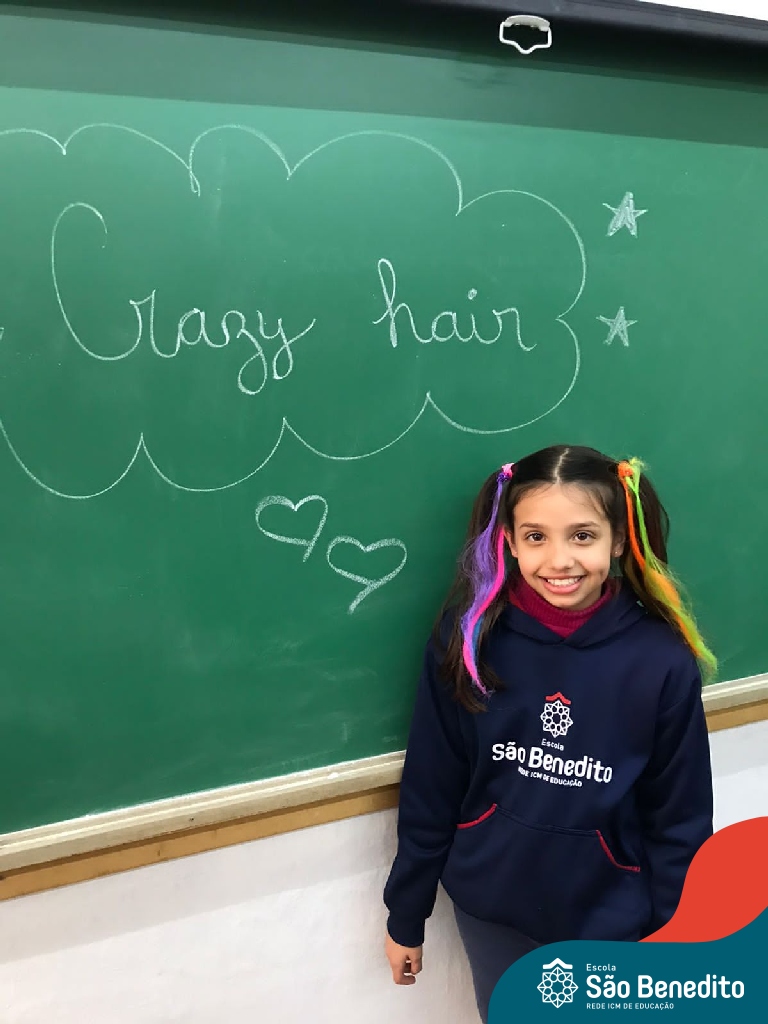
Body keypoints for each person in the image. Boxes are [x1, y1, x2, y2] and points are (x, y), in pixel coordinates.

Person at [382, 445, 715, 1022]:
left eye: (582, 535)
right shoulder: (469, 641)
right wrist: (406, 914)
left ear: (618, 539)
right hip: (493, 911)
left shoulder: (660, 659)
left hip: (612, 921)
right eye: (536, 536)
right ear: (509, 541)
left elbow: (679, 818)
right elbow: (431, 786)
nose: (559, 560)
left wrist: (677, 940)